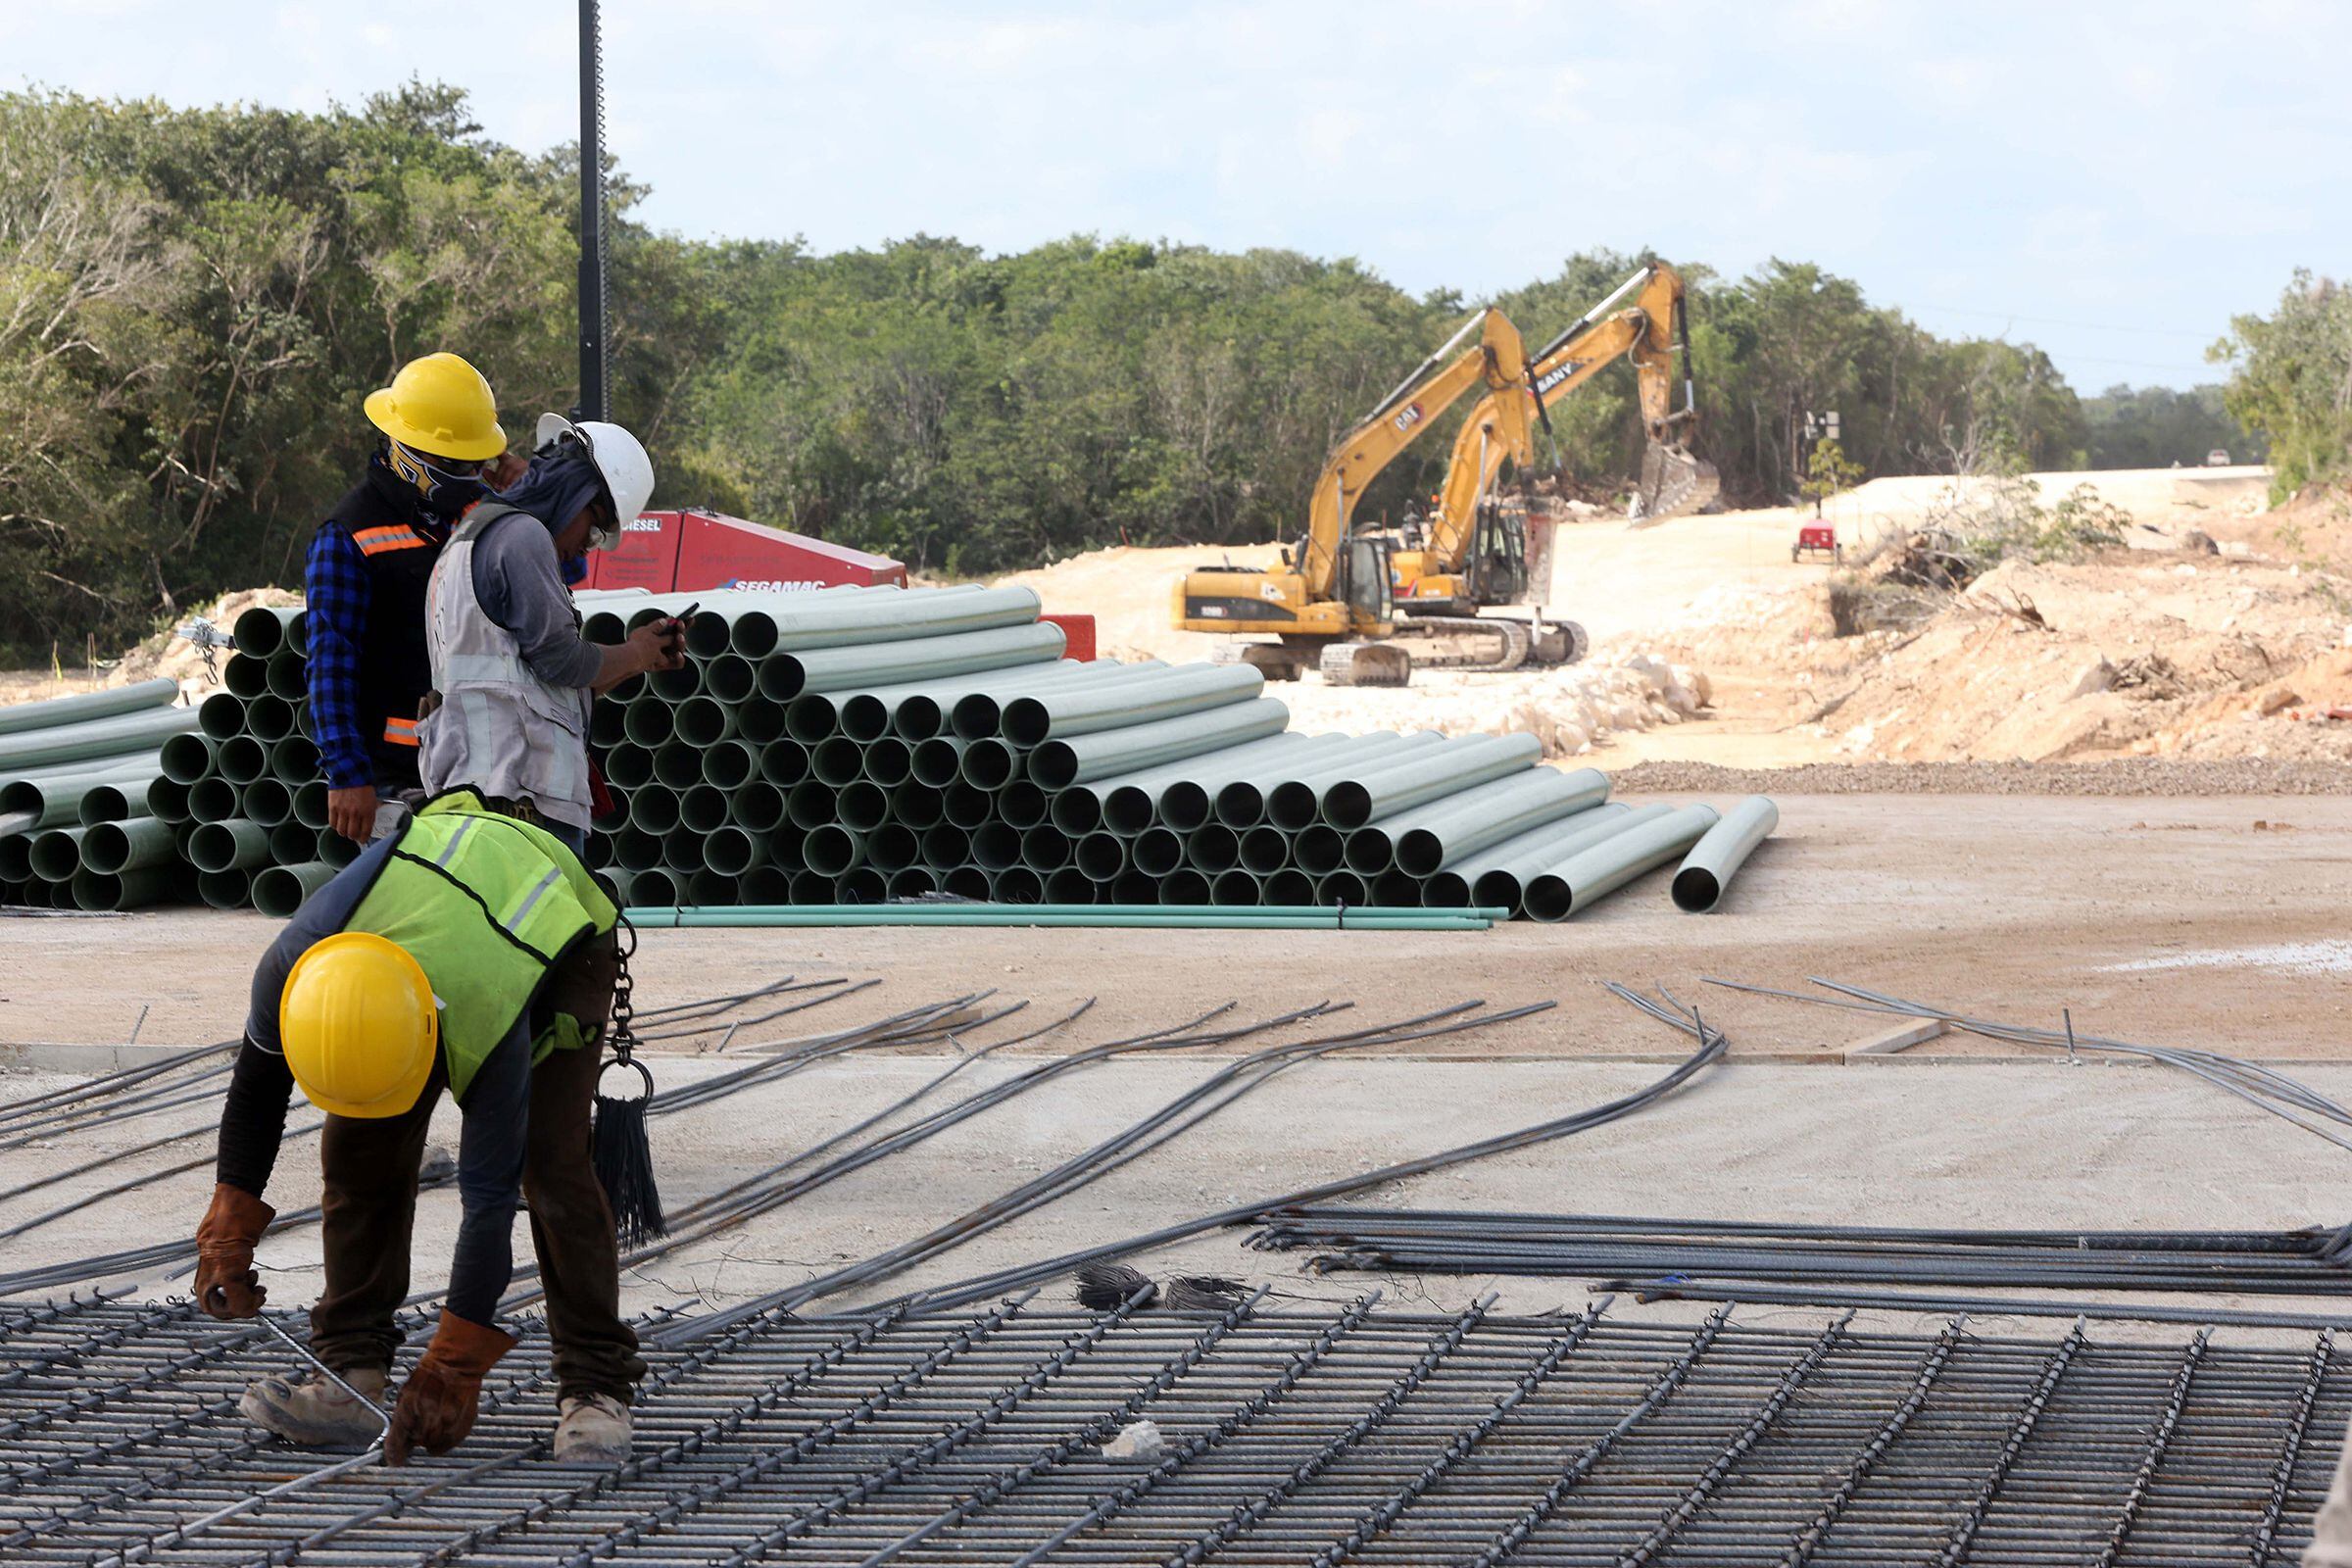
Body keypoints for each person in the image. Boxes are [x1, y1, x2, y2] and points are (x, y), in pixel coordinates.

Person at [192, 788, 643, 1464]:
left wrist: (454, 1366)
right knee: (358, 1153)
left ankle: (595, 1387)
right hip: (431, 909)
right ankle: (350, 1372)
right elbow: (255, 1092)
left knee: (550, 1168)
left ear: (428, 1037)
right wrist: (229, 1225)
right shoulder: (296, 967)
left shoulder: (487, 1023)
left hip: (557, 934)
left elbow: (487, 1205)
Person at [416, 414, 671, 852]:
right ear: (578, 495)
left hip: (474, 785)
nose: (585, 546)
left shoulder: (467, 540)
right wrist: (635, 652)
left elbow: (530, 684)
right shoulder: (523, 536)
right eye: (594, 529)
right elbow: (563, 660)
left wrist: (640, 659)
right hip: (519, 796)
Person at [309, 355, 526, 847]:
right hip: (397, 777)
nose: (473, 472)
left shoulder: (484, 511)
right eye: (459, 464)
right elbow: (331, 663)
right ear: (410, 452)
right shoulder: (350, 533)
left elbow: (562, 571)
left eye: (479, 460)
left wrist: (530, 500)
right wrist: (346, 774)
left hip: (490, 763)